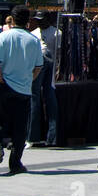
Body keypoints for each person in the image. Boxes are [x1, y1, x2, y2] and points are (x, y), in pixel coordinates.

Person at [0, 5, 44, 175]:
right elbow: (38, 67)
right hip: (24, 88)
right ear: (28, 21)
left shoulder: (4, 36)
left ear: (11, 20)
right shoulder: (34, 40)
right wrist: (29, 79)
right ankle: (15, 162)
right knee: (20, 126)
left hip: (5, 84)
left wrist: (0, 78)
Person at [28, 11, 60, 148]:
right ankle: (35, 136)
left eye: (42, 20)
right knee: (37, 97)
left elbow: (60, 52)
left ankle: (48, 137)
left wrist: (59, 69)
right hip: (40, 63)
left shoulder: (57, 33)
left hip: (48, 64)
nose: (40, 23)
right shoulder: (34, 33)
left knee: (43, 97)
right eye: (38, 20)